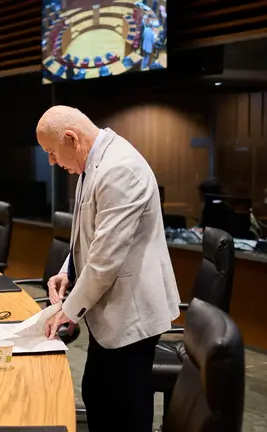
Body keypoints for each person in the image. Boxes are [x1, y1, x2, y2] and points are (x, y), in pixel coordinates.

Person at [36, 106, 180, 432]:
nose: (51, 161)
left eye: (51, 151)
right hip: (110, 309)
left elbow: (104, 260)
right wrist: (67, 272)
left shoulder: (120, 170)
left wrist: (66, 313)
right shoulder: (90, 163)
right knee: (97, 393)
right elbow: (87, 234)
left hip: (132, 313)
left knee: (123, 410)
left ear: (71, 139)